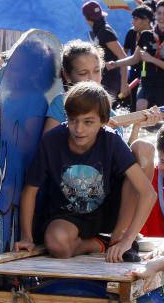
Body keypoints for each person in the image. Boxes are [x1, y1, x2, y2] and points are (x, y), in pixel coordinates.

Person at [16, 82, 155, 262]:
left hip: (109, 211)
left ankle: (117, 237)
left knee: (142, 154)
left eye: (88, 122)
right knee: (56, 244)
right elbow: (30, 190)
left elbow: (147, 193)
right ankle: (99, 244)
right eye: (73, 120)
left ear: (104, 121)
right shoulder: (52, 140)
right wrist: (26, 237)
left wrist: (128, 239)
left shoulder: (111, 141)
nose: (79, 129)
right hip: (68, 214)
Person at [112, 0, 164, 110]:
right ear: (155, 14)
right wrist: (115, 63)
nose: (161, 17)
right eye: (159, 13)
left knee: (162, 122)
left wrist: (152, 59)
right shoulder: (146, 35)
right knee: (141, 110)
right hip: (147, 82)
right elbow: (135, 59)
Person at [44, 39, 106, 132]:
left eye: (97, 71)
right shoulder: (61, 104)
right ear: (67, 76)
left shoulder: (106, 107)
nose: (92, 78)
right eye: (83, 73)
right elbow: (48, 143)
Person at [82, 0, 128, 102]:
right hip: (103, 79)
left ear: (86, 18)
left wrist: (124, 84)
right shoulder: (98, 31)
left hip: (111, 81)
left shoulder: (105, 32)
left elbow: (123, 57)